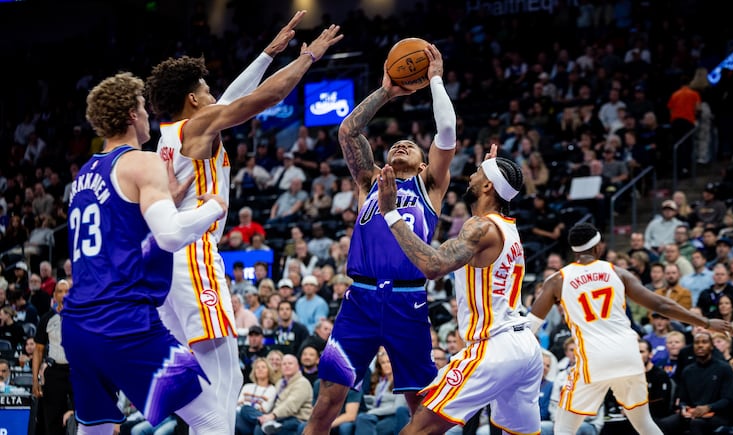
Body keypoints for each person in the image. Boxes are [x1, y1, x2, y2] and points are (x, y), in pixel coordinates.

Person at [145, 13, 342, 434]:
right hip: (193, 253)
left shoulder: (169, 135)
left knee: (210, 379)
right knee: (223, 377)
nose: (213, 95)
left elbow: (230, 99)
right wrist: (307, 57)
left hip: (165, 262)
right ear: (193, 99)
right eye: (206, 90)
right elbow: (264, 98)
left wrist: (266, 55)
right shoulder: (199, 125)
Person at [62, 72, 228, 433]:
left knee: (94, 431)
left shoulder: (83, 175)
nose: (148, 113)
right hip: (124, 322)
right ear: (131, 115)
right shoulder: (143, 161)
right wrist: (213, 207)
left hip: (77, 326)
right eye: (142, 105)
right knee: (213, 419)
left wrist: (167, 201)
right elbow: (170, 236)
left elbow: (124, 240)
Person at [305, 42, 457, 435]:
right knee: (327, 401)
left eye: (411, 146)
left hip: (409, 300)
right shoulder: (369, 180)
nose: (401, 144)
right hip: (361, 299)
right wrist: (387, 91)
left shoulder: (430, 185)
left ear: (423, 164)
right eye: (395, 144)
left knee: (420, 406)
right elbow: (348, 130)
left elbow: (446, 131)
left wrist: (435, 79)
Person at [374, 145, 542, 434]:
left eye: (477, 173)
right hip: (525, 348)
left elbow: (433, 265)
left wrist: (390, 213)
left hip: (494, 346)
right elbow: (497, 194)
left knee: (418, 429)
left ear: (488, 186)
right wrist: (492, 172)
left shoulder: (481, 227)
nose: (470, 176)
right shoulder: (507, 227)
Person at [528, 222, 733, 435]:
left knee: (564, 426)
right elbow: (661, 305)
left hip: (593, 357)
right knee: (643, 422)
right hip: (629, 355)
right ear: (598, 247)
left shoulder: (558, 280)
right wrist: (706, 323)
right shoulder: (617, 272)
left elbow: (531, 324)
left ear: (573, 250)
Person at [657, 331, 733, 434]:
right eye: (697, 342)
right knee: (662, 424)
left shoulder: (724, 368)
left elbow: (727, 399)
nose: (700, 345)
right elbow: (683, 399)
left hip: (717, 414)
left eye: (704, 342)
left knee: (696, 424)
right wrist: (683, 408)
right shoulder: (687, 371)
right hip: (692, 413)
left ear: (711, 346)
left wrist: (708, 407)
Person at [33, 279, 73, 435]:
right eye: (60, 291)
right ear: (55, 295)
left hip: (77, 372)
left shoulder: (82, 317)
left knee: (82, 419)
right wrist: (35, 380)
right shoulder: (47, 318)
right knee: (53, 422)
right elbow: (38, 350)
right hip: (54, 372)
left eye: (67, 291)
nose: (63, 295)